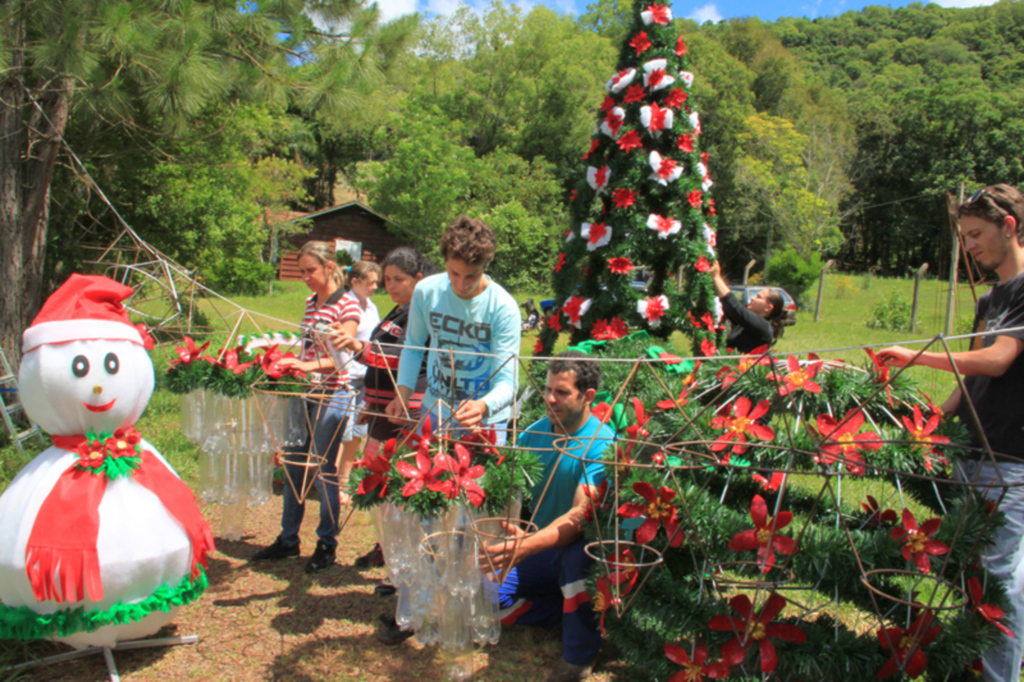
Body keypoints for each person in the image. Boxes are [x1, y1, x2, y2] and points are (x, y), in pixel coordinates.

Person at [877, 183, 1024, 682]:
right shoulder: (992, 299)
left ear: (1010, 226)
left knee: (995, 581)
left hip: (1009, 457)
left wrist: (917, 356)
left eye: (977, 234)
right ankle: (974, 665)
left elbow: (998, 360)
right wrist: (931, 426)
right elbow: (972, 378)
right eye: (964, 237)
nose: (970, 247)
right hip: (972, 450)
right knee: (972, 571)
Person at [482, 351, 615, 682]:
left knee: (577, 561)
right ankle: (561, 611)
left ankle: (580, 654)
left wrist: (526, 546)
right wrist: (509, 524)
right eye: (548, 389)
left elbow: (579, 515)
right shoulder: (535, 433)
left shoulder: (603, 443)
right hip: (537, 546)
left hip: (579, 550)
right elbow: (509, 487)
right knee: (487, 601)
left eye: (562, 392)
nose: (550, 398)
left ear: (588, 397)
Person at [250, 241, 361, 573]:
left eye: (310, 270)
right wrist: (292, 362)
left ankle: (327, 543)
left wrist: (308, 367)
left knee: (325, 470)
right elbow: (309, 348)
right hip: (305, 393)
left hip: (334, 394)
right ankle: (288, 540)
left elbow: (345, 356)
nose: (305, 277)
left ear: (329, 268)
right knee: (294, 464)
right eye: (301, 271)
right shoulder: (311, 301)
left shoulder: (348, 304)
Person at [331, 247, 431, 584]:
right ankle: (388, 549)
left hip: (403, 416)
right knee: (380, 489)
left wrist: (359, 347)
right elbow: (379, 356)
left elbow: (405, 357)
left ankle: (403, 566)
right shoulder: (398, 311)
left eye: (398, 279)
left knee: (399, 491)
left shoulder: (423, 314)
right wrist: (369, 403)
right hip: (379, 413)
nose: (390, 285)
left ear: (419, 279)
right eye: (386, 279)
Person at [384, 216, 521, 443]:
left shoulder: (504, 308)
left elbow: (508, 381)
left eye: (471, 275)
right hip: (435, 410)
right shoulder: (426, 292)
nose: (461, 284)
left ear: (486, 265)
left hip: (484, 421)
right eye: (453, 273)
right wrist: (403, 393)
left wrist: (483, 405)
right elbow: (414, 347)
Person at [335, 260, 381, 505]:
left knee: (357, 433)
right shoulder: (346, 305)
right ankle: (333, 483)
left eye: (376, 282)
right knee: (342, 430)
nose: (375, 287)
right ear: (354, 282)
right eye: (369, 282)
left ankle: (344, 481)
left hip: (366, 376)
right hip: (347, 376)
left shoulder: (371, 307)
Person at [709, 260, 784, 353]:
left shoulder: (764, 326)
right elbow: (729, 309)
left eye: (758, 297)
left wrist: (717, 277)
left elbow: (736, 309)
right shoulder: (747, 324)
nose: (753, 298)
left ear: (768, 307)